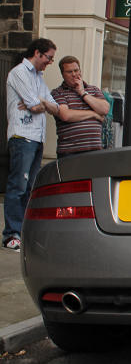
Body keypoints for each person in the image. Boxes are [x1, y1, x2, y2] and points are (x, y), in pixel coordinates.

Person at [3, 38, 59, 250]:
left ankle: (24, 232)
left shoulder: (39, 77)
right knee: (18, 185)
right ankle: (11, 234)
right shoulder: (19, 73)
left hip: (37, 137)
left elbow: (53, 106)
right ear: (37, 53)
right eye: (48, 58)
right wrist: (40, 103)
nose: (49, 62)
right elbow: (35, 105)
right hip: (22, 135)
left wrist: (41, 103)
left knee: (29, 188)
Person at [50, 56, 110, 158]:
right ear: (63, 74)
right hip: (70, 152)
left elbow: (104, 109)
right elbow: (66, 115)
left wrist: (82, 93)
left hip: (94, 150)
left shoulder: (93, 90)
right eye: (69, 72)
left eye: (76, 70)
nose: (74, 74)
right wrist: (94, 114)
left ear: (80, 71)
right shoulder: (58, 93)